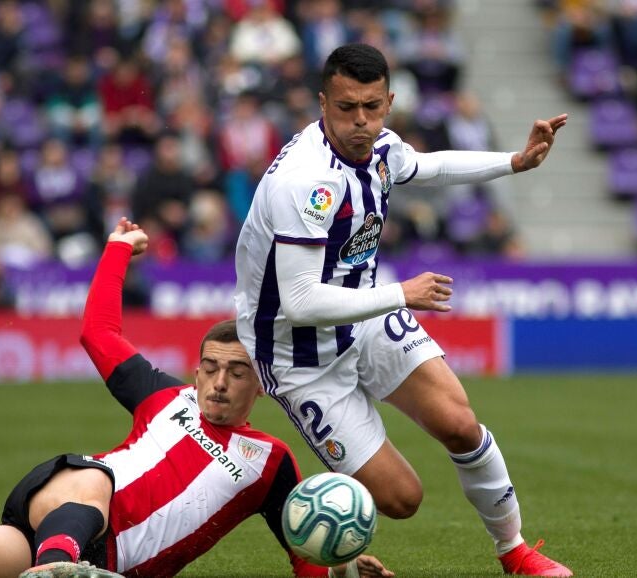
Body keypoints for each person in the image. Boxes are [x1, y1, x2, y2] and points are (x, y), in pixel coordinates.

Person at [0, 218, 393, 578]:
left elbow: (304, 552)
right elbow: (98, 333)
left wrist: (342, 567)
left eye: (235, 372)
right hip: (68, 511)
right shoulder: (163, 397)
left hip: (105, 563)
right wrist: (118, 250)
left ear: (260, 381)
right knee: (94, 480)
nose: (219, 382)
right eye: (209, 368)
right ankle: (57, 570)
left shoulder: (271, 463)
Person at [233, 43, 573, 577]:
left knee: (460, 425)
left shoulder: (382, 147)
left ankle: (515, 552)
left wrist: (514, 161)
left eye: (372, 107)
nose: (360, 121)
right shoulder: (305, 181)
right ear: (322, 104)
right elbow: (299, 302)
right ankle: (325, 552)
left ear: (389, 103)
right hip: (298, 354)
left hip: (363, 317)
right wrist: (401, 294)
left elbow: (429, 166)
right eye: (346, 107)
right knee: (401, 499)